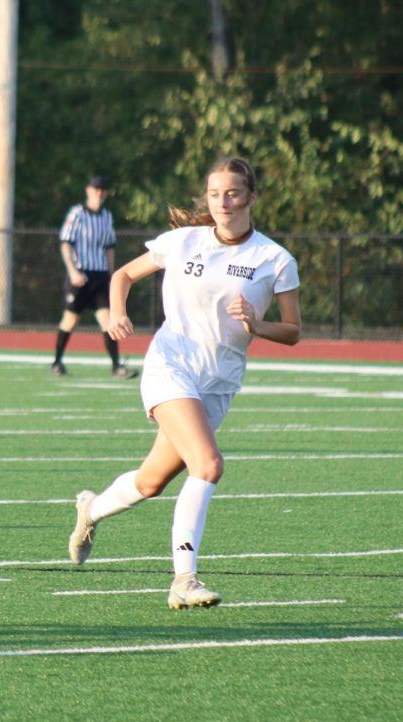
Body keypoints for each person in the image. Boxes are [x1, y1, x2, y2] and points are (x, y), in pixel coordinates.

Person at [67, 157, 301, 609]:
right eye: (215, 194)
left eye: (232, 193)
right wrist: (117, 313)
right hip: (170, 365)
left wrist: (258, 325)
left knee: (152, 482)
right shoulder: (183, 241)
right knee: (208, 465)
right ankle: (184, 578)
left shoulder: (274, 259)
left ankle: (90, 510)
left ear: (252, 198)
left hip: (218, 384)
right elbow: (122, 275)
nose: (222, 203)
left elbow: (293, 330)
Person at [50, 175, 139, 379]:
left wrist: (110, 274)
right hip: (80, 276)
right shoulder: (77, 214)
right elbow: (66, 243)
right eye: (96, 189)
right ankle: (57, 362)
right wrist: (73, 272)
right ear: (88, 191)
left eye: (103, 190)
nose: (99, 193)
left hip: (100, 276)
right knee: (70, 319)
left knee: (108, 321)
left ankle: (117, 366)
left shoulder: (107, 216)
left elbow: (109, 247)